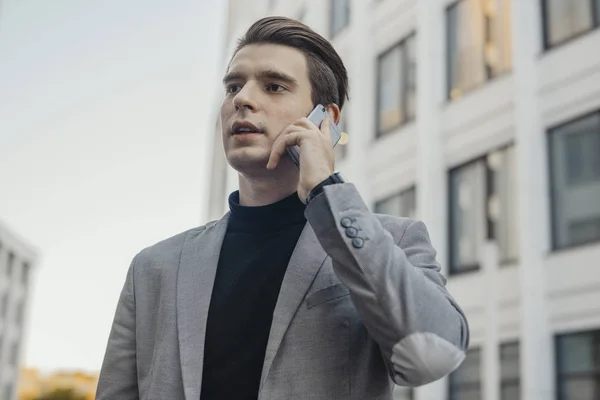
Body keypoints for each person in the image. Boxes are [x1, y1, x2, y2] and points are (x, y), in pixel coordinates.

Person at [96, 16, 469, 400]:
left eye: (273, 86)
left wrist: (327, 190)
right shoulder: (153, 268)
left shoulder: (392, 241)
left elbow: (432, 357)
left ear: (326, 119)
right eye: (233, 86)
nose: (242, 99)